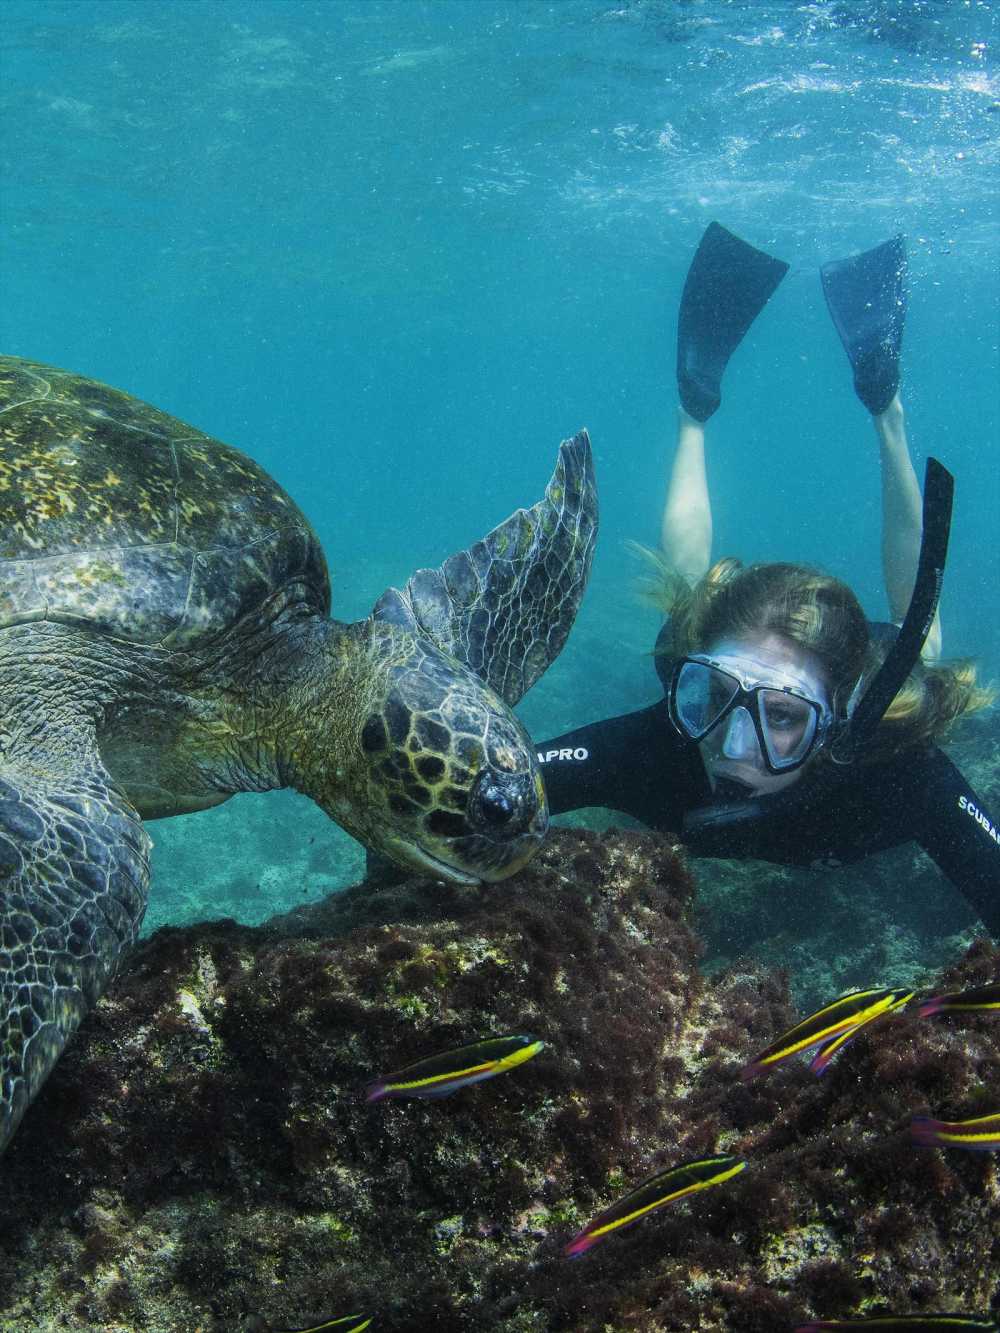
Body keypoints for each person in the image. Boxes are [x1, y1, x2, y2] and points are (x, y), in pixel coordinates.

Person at [538, 223, 999, 938]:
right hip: (715, 637)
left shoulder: (896, 774)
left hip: (866, 683)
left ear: (837, 723)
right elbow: (498, 778)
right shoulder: (667, 740)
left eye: (783, 717)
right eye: (716, 697)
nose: (731, 746)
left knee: (921, 643)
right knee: (689, 599)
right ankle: (695, 402)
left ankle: (887, 406)